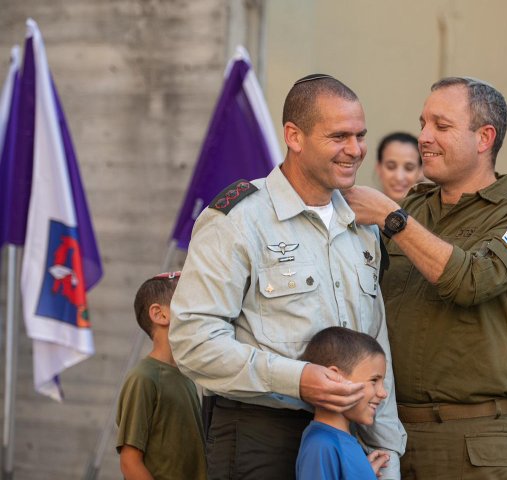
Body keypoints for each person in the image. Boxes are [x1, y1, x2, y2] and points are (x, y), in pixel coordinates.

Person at [168, 74, 406, 480]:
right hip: (259, 435)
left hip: (347, 437)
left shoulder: (362, 226)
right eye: (339, 136)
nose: (355, 150)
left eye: (360, 135)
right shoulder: (239, 219)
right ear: (294, 137)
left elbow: (374, 343)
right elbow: (192, 340)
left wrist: (387, 448)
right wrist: (298, 379)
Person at [343, 76, 507, 479]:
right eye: (423, 123)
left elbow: (472, 280)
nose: (424, 137)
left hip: (471, 439)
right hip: (387, 431)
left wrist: (393, 219)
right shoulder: (417, 205)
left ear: (484, 138)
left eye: (441, 127)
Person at [116, 271, 206, 480]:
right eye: (189, 302)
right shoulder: (143, 378)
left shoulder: (186, 377)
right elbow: (130, 462)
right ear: (159, 314)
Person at [295, 327, 391, 479]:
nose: (383, 393)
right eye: (374, 381)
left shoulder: (340, 440)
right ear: (334, 377)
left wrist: (363, 473)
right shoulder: (321, 446)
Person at [375, 132, 423, 202]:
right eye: (390, 167)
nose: (399, 177)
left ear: (421, 171)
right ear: (378, 168)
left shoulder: (434, 212)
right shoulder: (358, 211)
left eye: (409, 168)